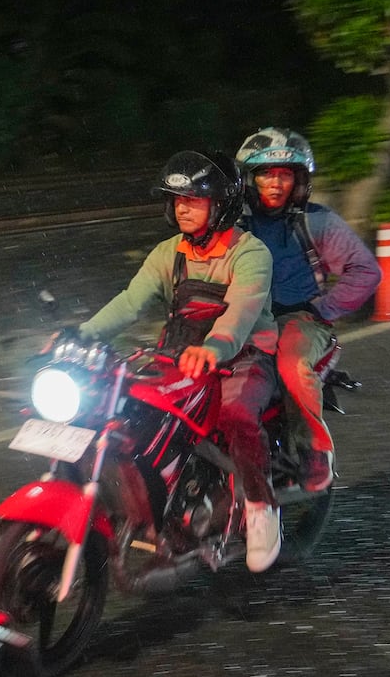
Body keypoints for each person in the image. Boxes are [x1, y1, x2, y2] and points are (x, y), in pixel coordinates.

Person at [67, 151, 284, 573]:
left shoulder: (250, 253)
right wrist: (81, 334)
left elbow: (240, 312)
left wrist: (215, 347)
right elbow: (130, 303)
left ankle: (261, 509)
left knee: (237, 414)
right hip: (180, 354)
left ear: (221, 206)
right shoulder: (169, 252)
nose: (183, 207)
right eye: (177, 199)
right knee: (123, 405)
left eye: (195, 199)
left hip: (243, 356)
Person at [235, 128, 381, 492]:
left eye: (285, 175)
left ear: (298, 180)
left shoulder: (316, 222)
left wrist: (321, 308)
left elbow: (366, 271)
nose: (275, 183)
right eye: (266, 174)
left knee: (292, 364)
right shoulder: (234, 224)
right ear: (250, 179)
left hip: (298, 321)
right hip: (241, 320)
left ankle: (316, 451)